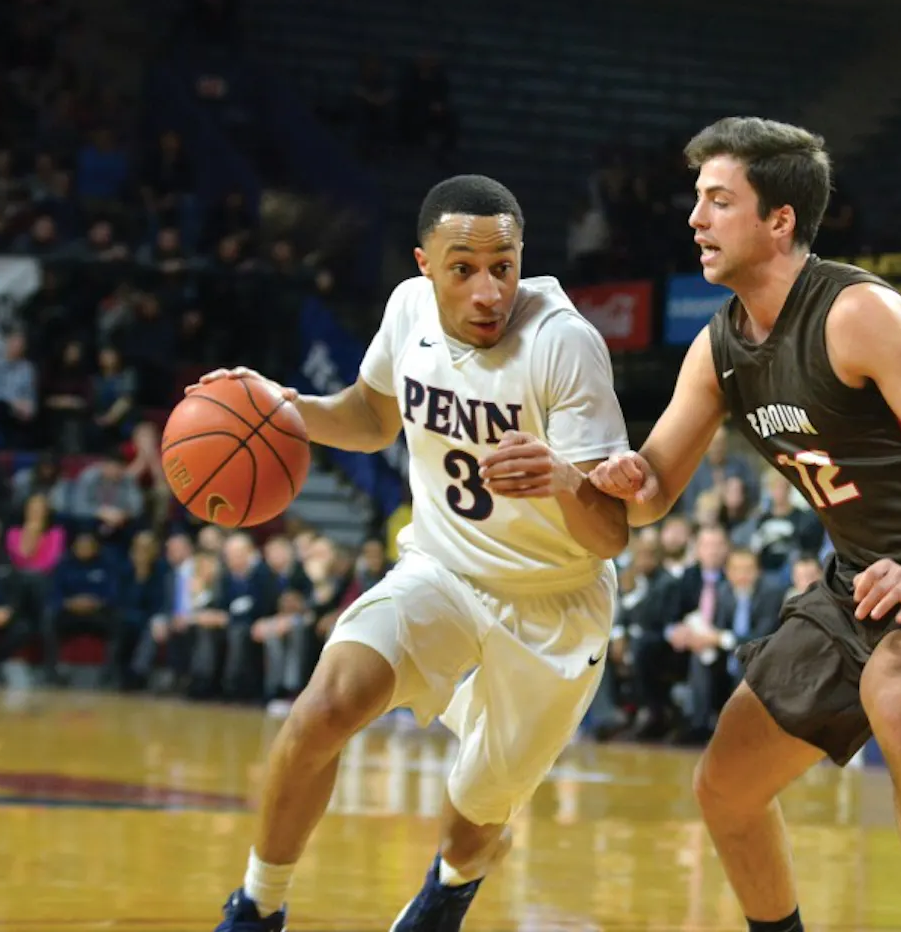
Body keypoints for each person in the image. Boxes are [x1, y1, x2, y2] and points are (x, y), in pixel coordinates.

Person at [590, 117, 901, 932]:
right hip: (861, 579)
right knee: (724, 786)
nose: (695, 218)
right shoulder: (718, 347)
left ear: (779, 221)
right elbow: (651, 493)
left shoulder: (855, 312)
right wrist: (606, 476)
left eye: (718, 201)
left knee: (899, 693)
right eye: (697, 200)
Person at [203, 175, 631, 932]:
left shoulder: (566, 345)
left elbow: (610, 535)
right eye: (462, 268)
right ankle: (257, 906)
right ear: (425, 264)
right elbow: (371, 418)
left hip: (554, 605)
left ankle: (450, 888)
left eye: (503, 266)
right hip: (442, 570)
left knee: (472, 830)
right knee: (322, 709)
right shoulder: (407, 310)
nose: (488, 290)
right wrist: (281, 407)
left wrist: (566, 482)